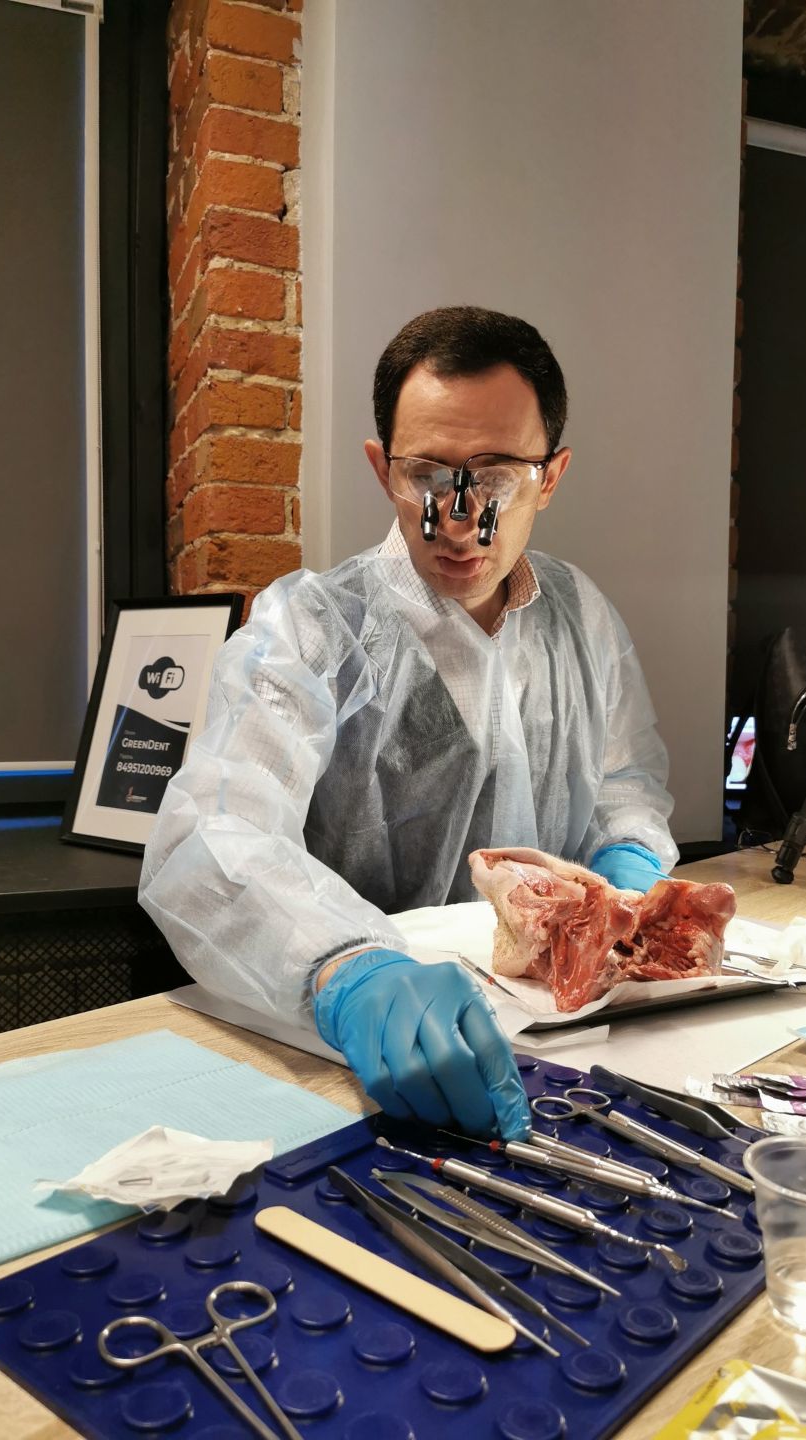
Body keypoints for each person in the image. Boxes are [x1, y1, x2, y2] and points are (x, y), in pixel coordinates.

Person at [140, 306, 677, 1140]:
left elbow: (625, 786)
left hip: (570, 1036)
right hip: (357, 1064)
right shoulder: (311, 629)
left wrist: (628, 868)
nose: (458, 519)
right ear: (380, 468)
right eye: (426, 473)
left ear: (552, 476)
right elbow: (212, 838)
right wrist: (350, 972)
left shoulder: (581, 618)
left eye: (497, 476)